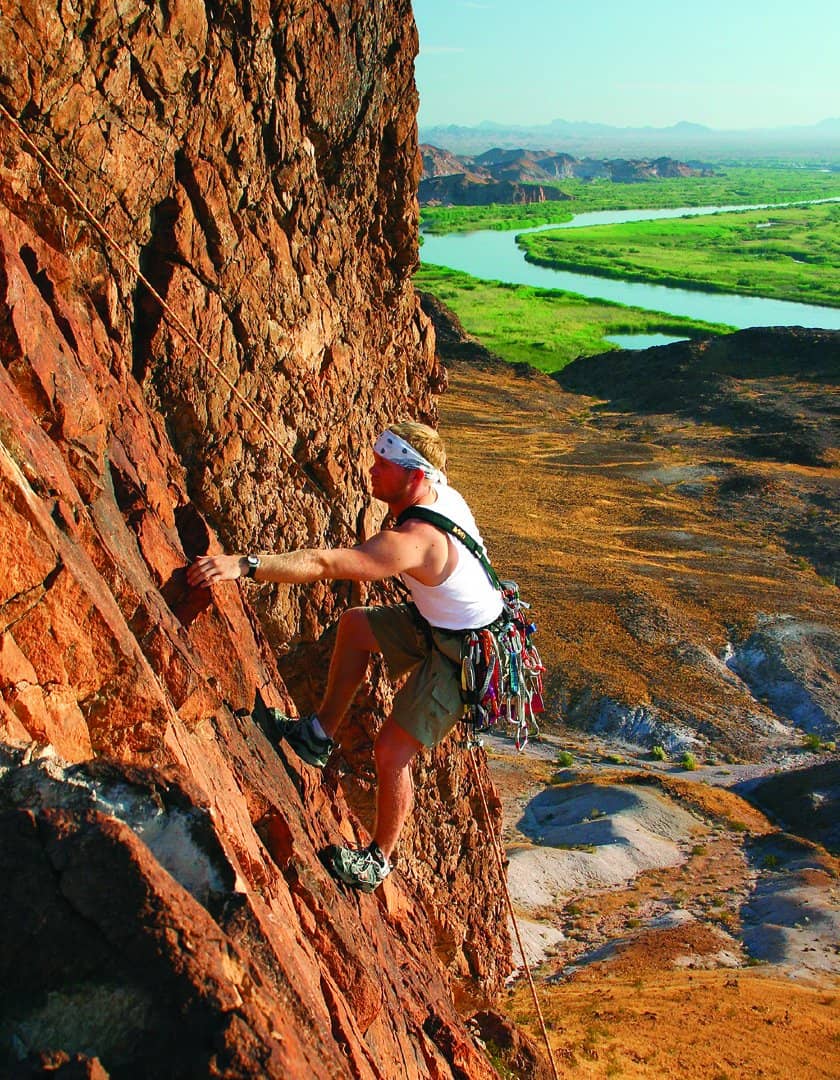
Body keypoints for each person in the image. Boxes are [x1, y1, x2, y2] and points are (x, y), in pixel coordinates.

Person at [187, 422, 503, 891]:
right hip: (443, 622)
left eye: (384, 465)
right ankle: (317, 737)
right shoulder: (435, 490)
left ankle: (378, 862)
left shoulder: (413, 541)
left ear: (415, 478)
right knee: (356, 626)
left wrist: (246, 565)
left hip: (465, 653)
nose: (371, 470)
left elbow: (323, 564)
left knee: (392, 751)